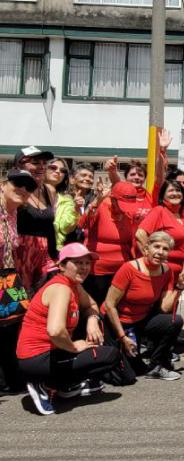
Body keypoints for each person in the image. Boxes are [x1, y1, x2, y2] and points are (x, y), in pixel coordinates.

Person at [16, 243, 119, 415]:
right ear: (62, 266)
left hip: (48, 353)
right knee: (110, 355)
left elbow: (92, 304)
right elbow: (55, 331)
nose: (84, 267)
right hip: (37, 358)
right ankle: (45, 384)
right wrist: (73, 346)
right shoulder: (61, 289)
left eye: (87, 263)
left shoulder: (73, 285)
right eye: (78, 263)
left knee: (103, 352)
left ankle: (64, 385)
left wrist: (92, 320)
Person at [102, 231, 184, 381]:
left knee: (175, 321)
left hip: (140, 322)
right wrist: (122, 337)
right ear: (147, 247)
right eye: (157, 246)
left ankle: (156, 365)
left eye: (165, 249)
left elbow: (165, 308)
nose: (160, 252)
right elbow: (110, 305)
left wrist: (180, 286)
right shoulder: (129, 268)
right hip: (116, 323)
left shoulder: (166, 271)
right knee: (126, 377)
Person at [0, 170, 37, 393]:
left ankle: (7, 381)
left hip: (7, 279)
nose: (23, 189)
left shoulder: (12, 213)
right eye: (18, 183)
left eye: (29, 187)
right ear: (4, 184)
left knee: (8, 328)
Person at [82, 181, 140, 308]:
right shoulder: (101, 206)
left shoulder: (130, 214)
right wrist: (97, 201)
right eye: (122, 205)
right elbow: (82, 223)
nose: (124, 209)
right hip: (97, 272)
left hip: (121, 271)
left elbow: (132, 241)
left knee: (114, 307)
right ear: (113, 199)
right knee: (96, 306)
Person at [137, 180, 184, 275]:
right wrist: (150, 257)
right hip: (163, 270)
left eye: (178, 190)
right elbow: (140, 234)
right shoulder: (159, 211)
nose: (175, 193)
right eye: (171, 191)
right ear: (163, 195)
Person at [14, 146, 57, 291]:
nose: (42, 166)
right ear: (19, 164)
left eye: (44, 163)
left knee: (49, 295)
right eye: (36, 162)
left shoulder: (49, 190)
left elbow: (50, 227)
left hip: (46, 255)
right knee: (21, 302)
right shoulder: (12, 189)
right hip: (20, 254)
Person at [44, 158, 78, 251]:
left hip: (55, 249)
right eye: (53, 167)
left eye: (63, 170)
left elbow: (65, 228)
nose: (58, 171)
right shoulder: (29, 194)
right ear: (44, 169)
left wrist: (76, 210)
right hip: (29, 246)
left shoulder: (67, 200)